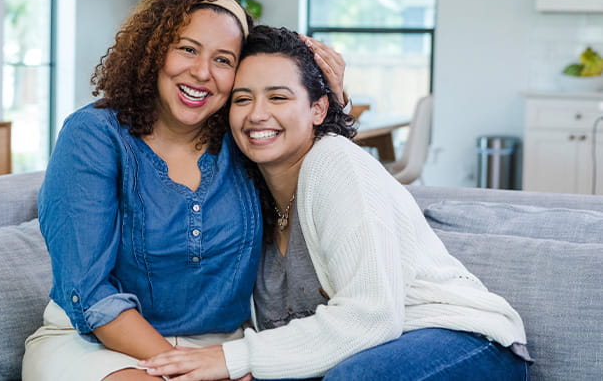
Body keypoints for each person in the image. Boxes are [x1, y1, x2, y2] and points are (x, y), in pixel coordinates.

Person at [139, 25, 531, 381]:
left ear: (318, 108)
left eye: (278, 96)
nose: (257, 114)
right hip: (360, 354)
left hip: (463, 342)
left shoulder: (335, 164)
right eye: (243, 99)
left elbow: (372, 316)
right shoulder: (246, 193)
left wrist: (235, 357)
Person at [22, 0, 348, 381]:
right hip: (96, 344)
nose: (202, 73)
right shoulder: (93, 135)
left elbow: (317, 186)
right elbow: (90, 293)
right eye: (188, 49)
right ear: (154, 50)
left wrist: (327, 102)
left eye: (223, 60)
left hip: (221, 348)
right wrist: (186, 371)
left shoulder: (246, 137)